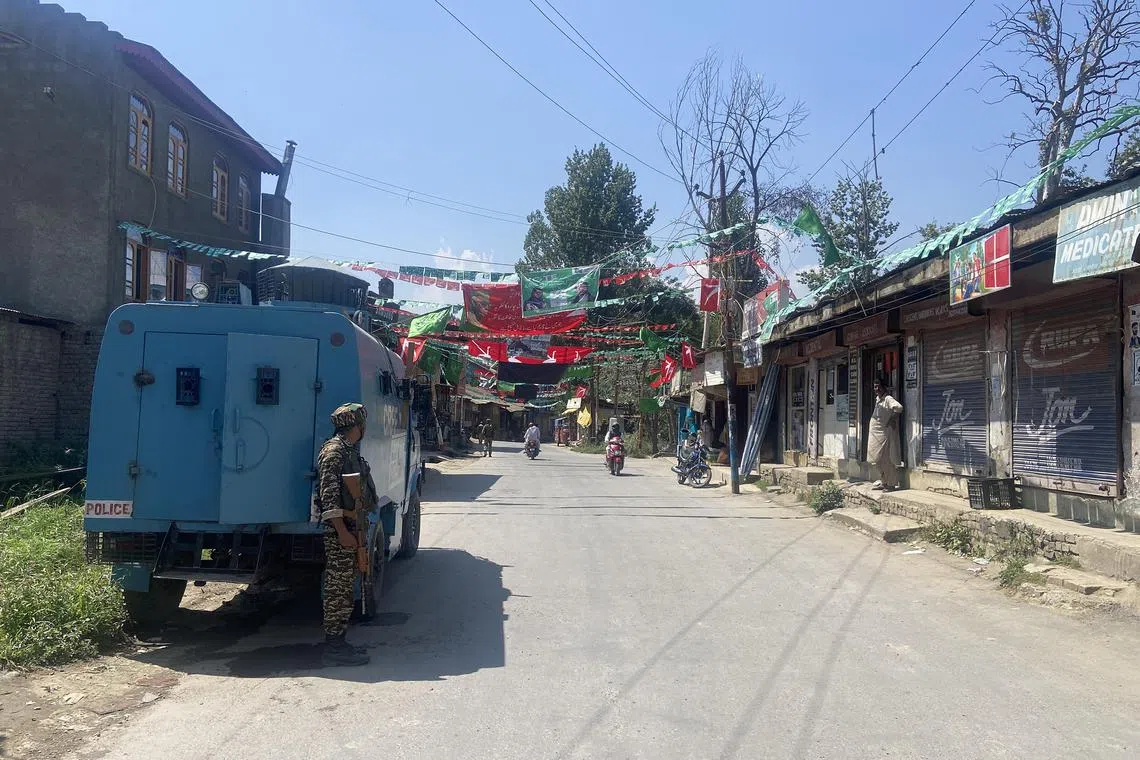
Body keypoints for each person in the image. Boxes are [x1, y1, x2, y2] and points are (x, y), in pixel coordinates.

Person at [316, 402, 378, 667]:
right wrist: (342, 531)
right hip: (342, 530)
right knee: (338, 587)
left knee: (346, 583)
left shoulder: (348, 450)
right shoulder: (334, 452)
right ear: (357, 426)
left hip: (354, 526)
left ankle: (339, 640)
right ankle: (334, 645)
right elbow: (328, 497)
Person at [867, 378, 904, 492]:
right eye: (875, 386)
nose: (876, 389)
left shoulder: (888, 399)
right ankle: (884, 482)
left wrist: (892, 419)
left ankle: (891, 484)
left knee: (886, 459)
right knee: (876, 459)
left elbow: (899, 408)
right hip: (875, 435)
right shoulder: (878, 399)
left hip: (884, 434)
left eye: (878, 386)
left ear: (884, 387)